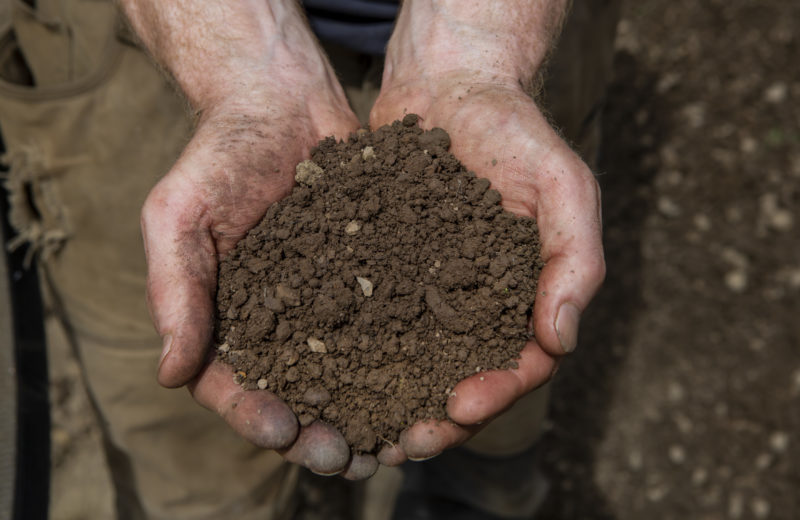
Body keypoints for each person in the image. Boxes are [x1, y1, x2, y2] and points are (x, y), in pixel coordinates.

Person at [0, 0, 619, 518]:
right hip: (145, 33)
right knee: (178, 426)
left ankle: (477, 494)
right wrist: (238, 66)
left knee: (513, 348)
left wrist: (481, 48)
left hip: (512, 23)